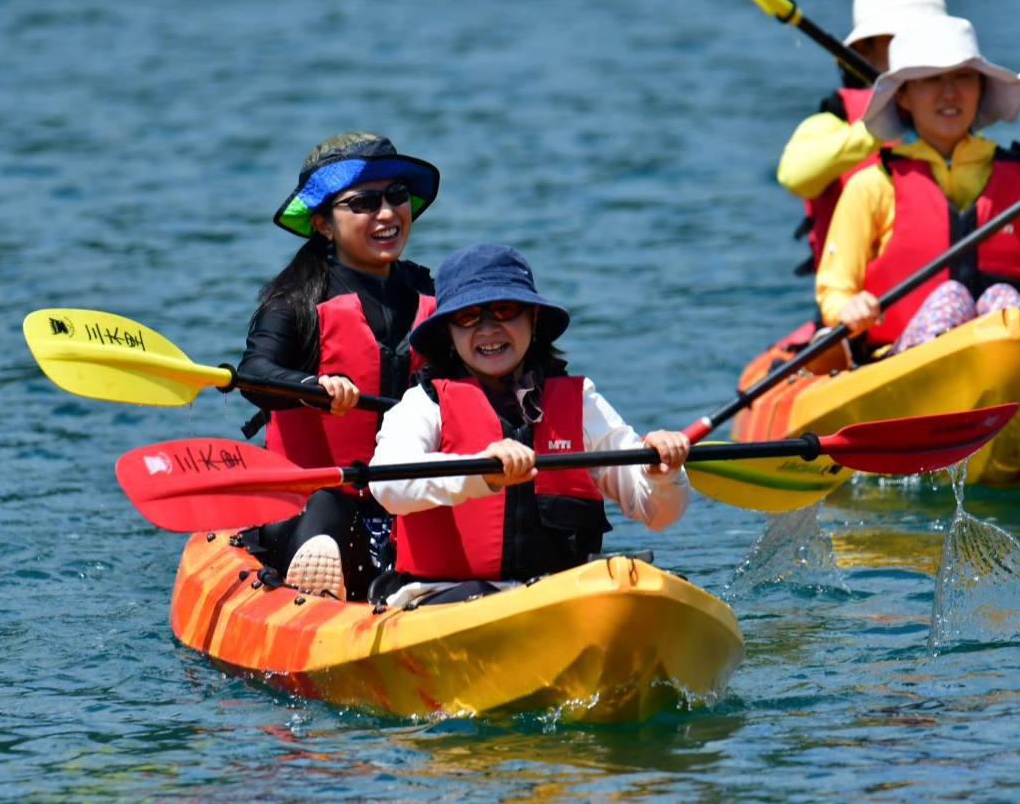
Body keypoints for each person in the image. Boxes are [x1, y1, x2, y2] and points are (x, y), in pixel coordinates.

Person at [367, 244, 691, 604]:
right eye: (468, 316)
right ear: (447, 333)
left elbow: (659, 513)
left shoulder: (581, 402)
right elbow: (387, 484)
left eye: (504, 310)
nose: (488, 329)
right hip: (442, 598)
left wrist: (662, 473)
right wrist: (481, 472)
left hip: (559, 598)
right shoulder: (424, 403)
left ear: (533, 319)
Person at [815, 15, 1020, 356]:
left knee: (1003, 299)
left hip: (1008, 356)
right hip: (903, 362)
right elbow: (834, 291)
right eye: (931, 79)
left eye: (963, 76)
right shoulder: (872, 186)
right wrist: (848, 307)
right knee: (951, 297)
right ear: (903, 97)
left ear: (980, 88)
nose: (950, 93)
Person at [236, 131, 441, 601]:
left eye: (396, 195)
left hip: (408, 507)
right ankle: (319, 588)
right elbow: (255, 373)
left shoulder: (435, 296)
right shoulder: (295, 301)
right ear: (323, 225)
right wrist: (312, 386)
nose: (387, 213)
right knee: (330, 506)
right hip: (309, 511)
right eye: (364, 203)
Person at [777, 0, 948, 275]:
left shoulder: (953, 117)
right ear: (863, 52)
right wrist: (877, 127)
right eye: (903, 41)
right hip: (860, 298)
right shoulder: (834, 120)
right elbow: (794, 175)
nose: (918, 53)